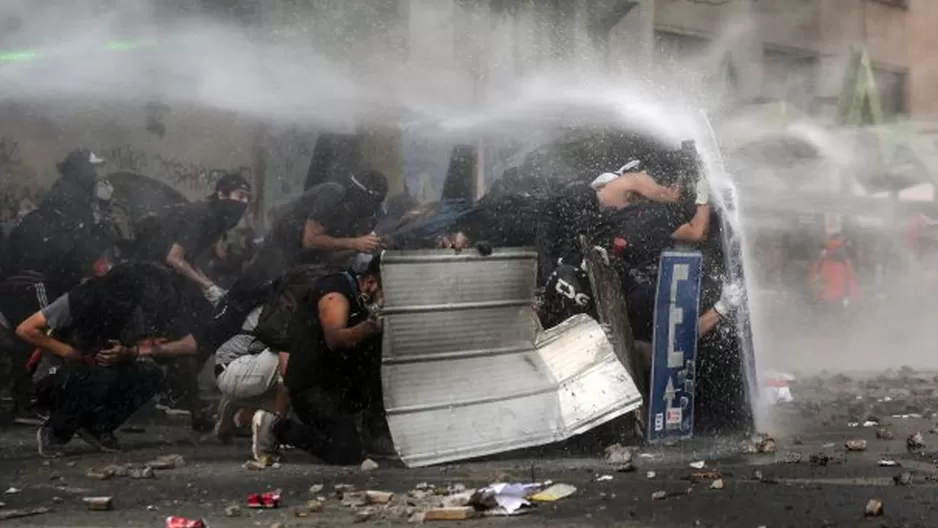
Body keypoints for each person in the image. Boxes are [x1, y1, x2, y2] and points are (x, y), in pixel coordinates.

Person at [14, 263, 197, 456]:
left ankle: (99, 427)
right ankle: (54, 432)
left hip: (100, 368)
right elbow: (26, 330)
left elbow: (130, 343)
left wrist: (126, 351)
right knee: (96, 376)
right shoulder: (81, 298)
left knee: (150, 374)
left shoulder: (132, 309)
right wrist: (71, 352)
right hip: (56, 374)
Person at [0, 149, 114, 424]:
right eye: (92, 169)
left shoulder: (62, 196)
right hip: (33, 279)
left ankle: (30, 399)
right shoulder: (74, 201)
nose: (96, 175)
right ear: (81, 170)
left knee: (30, 338)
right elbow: (79, 249)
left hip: (26, 278)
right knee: (45, 332)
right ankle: (30, 401)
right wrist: (101, 216)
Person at [253, 256, 385, 465]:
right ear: (370, 282)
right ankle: (277, 428)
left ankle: (371, 433)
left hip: (339, 383)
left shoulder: (361, 295)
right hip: (313, 387)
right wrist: (371, 327)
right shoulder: (335, 292)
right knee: (347, 453)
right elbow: (335, 338)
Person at [212, 306, 290, 458]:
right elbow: (286, 368)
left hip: (230, 368)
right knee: (292, 365)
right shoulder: (284, 309)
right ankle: (266, 442)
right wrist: (279, 419)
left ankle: (235, 405)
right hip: (236, 369)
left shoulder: (276, 301)